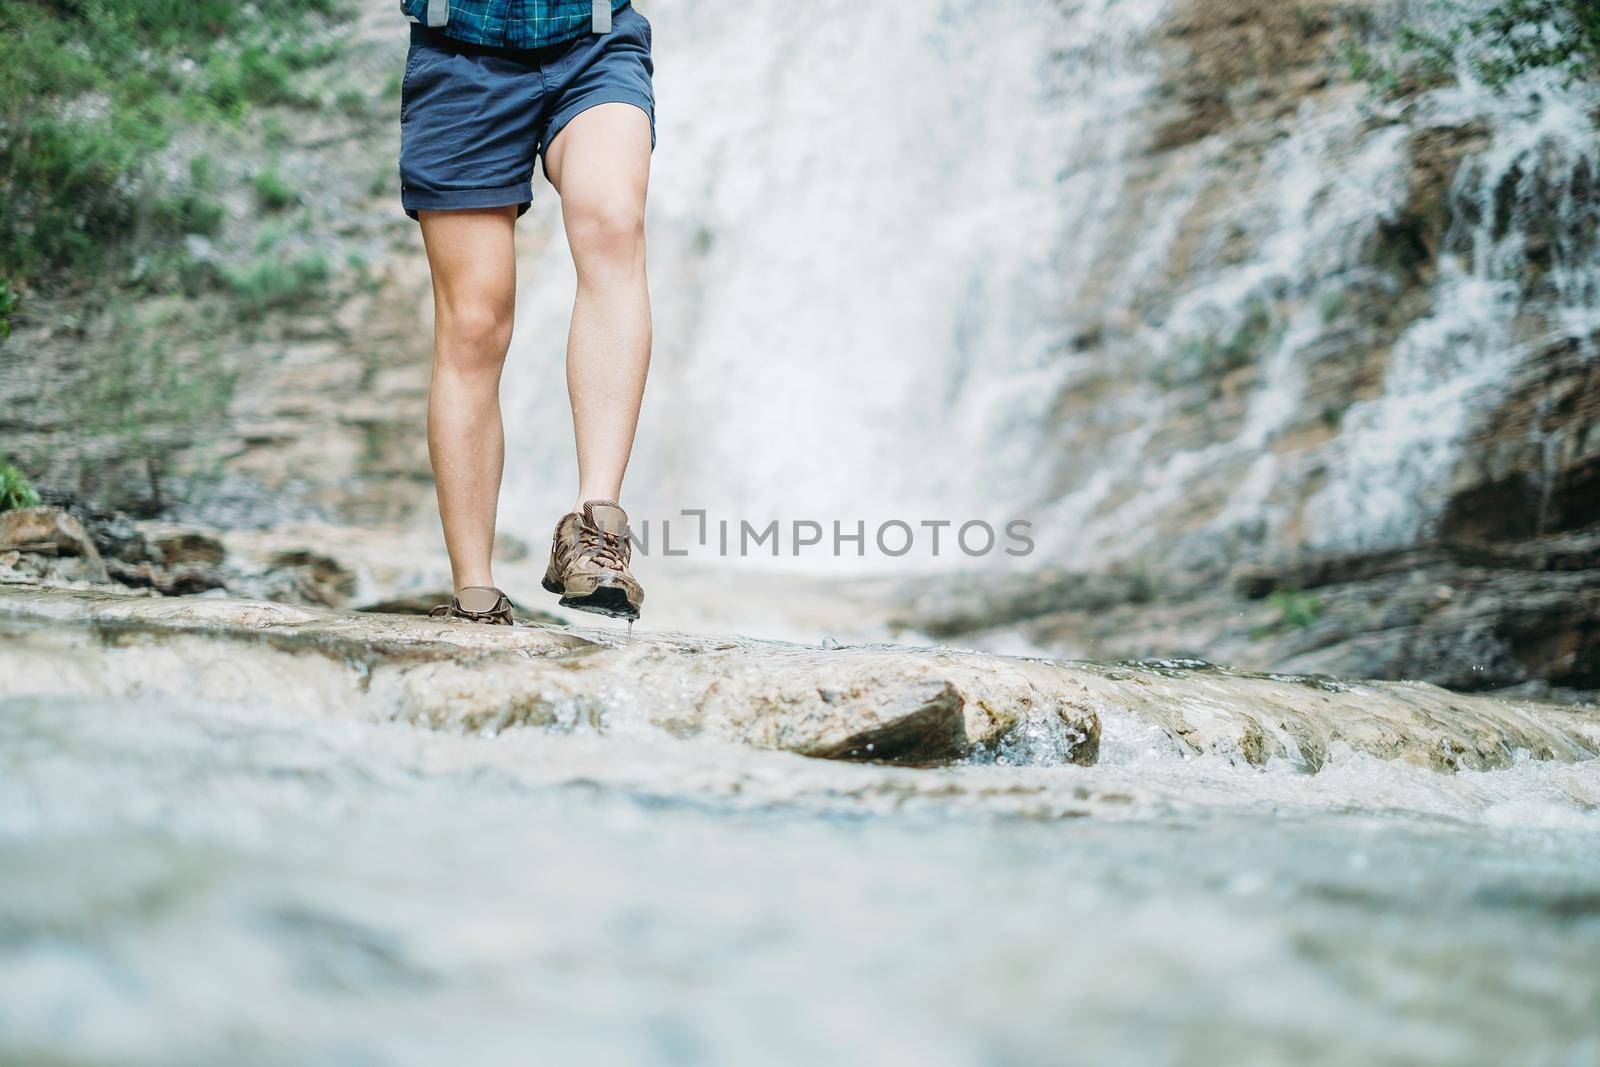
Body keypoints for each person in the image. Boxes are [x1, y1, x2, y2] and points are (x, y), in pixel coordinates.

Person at [399, 0, 652, 625]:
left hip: (594, 43)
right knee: (473, 324)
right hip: (460, 56)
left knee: (613, 222)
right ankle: (475, 593)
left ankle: (596, 529)